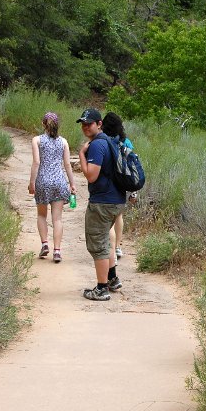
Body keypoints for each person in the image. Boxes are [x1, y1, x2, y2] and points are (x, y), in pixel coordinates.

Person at [77, 108, 127, 301]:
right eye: (83, 124)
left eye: (89, 123)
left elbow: (91, 175)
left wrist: (82, 154)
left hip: (102, 203)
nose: (85, 127)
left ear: (99, 124)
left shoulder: (97, 145)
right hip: (116, 201)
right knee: (106, 242)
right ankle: (113, 279)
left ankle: (101, 288)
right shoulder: (110, 141)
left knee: (98, 245)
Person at [28, 112, 76, 263]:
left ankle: (44, 244)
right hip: (59, 181)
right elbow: (67, 164)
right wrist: (72, 184)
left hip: (42, 181)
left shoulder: (37, 140)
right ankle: (57, 251)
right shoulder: (63, 142)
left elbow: (36, 162)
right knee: (57, 219)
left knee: (42, 215)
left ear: (43, 124)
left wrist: (32, 182)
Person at [100, 111, 138, 260]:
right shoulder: (126, 141)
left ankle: (110, 249)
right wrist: (134, 190)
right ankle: (118, 247)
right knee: (118, 215)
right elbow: (131, 164)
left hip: (107, 182)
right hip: (122, 181)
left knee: (107, 218)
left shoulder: (103, 140)